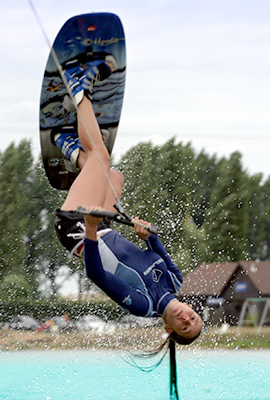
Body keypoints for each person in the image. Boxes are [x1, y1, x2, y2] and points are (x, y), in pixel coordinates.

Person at [52, 59, 203, 344]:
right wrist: (146, 235)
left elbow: (96, 274)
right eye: (192, 317)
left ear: (168, 329)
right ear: (192, 309)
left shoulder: (142, 306)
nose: (186, 318)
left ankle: (78, 86)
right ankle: (71, 148)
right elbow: (156, 248)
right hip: (103, 226)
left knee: (101, 157)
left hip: (78, 230)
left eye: (184, 326)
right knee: (114, 176)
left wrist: (91, 229)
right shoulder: (175, 281)